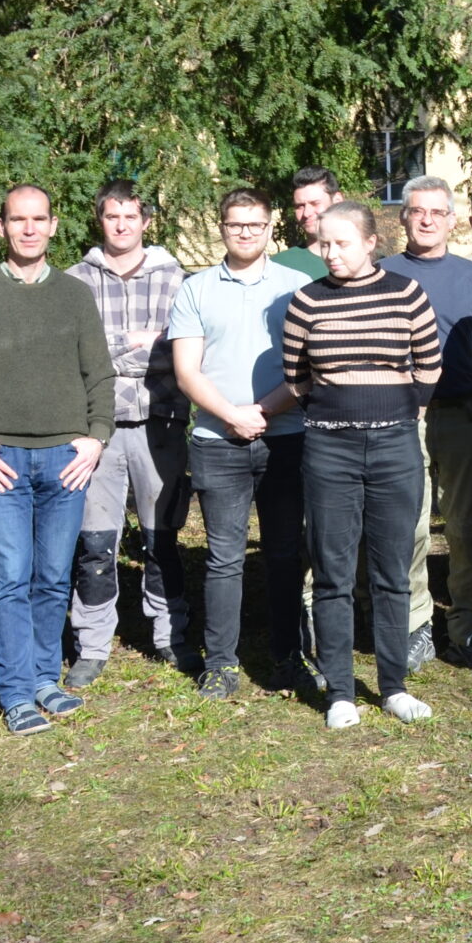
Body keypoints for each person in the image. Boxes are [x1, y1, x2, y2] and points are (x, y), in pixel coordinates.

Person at [0, 184, 115, 736]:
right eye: (19, 220)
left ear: (55, 226)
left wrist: (95, 438)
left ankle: (43, 678)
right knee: (11, 577)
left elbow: (100, 375)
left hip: (67, 459)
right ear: (2, 227)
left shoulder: (74, 294)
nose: (30, 228)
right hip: (3, 461)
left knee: (53, 576)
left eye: (39, 219)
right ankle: (14, 692)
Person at [280, 201, 441, 728]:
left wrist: (392, 412)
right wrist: (340, 415)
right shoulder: (306, 301)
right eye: (324, 243)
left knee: (392, 572)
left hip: (395, 448)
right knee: (332, 573)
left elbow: (429, 365)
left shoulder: (405, 293)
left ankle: (392, 687)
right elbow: (296, 376)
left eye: (342, 243)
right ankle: (341, 692)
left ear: (371, 242)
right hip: (330, 451)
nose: (331, 253)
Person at [169, 188, 312, 699]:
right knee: (224, 557)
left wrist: (266, 412)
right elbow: (186, 370)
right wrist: (232, 415)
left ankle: (287, 659)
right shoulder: (196, 289)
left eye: (254, 224)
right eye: (235, 225)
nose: (245, 232)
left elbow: (309, 368)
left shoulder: (299, 286)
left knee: (283, 553)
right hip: (216, 440)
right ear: (221, 228)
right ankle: (222, 665)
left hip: (286, 439)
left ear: (271, 227)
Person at [65, 181, 191, 686]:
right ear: (100, 220)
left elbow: (183, 351)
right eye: (112, 216)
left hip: (161, 422)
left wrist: (114, 350)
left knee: (162, 538)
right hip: (96, 429)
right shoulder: (74, 281)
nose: (121, 225)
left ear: (145, 221)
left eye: (130, 217)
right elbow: (78, 354)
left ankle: (170, 633)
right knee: (96, 542)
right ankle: (92, 644)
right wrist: (138, 343)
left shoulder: (175, 279)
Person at [381, 176, 472, 674]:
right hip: (400, 419)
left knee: (467, 529)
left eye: (436, 212)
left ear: (452, 220)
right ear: (403, 217)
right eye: (416, 211)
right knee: (409, 530)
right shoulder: (380, 273)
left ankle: (470, 627)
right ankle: (414, 628)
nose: (426, 219)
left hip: (461, 418)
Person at [275, 167, 340, 279]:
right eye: (299, 206)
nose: (306, 213)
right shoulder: (279, 266)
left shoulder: (370, 261)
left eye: (315, 203)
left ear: (337, 201)